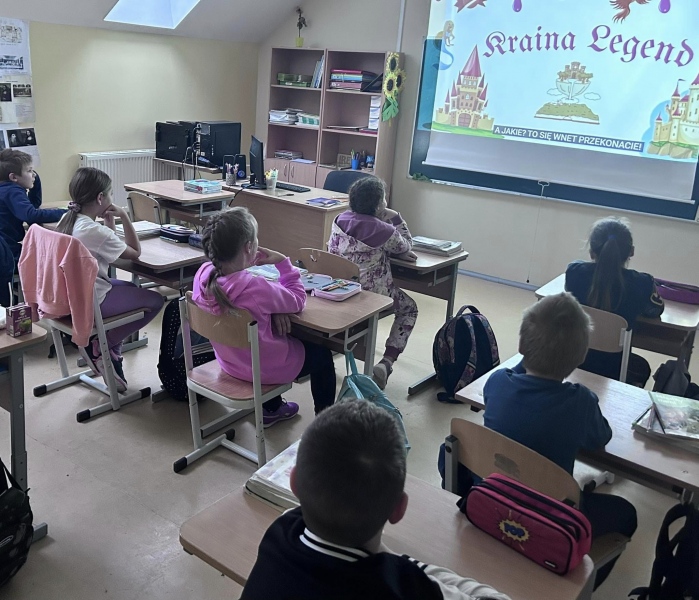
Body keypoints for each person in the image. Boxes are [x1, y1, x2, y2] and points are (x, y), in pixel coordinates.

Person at [242, 400, 511, 600]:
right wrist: (402, 564)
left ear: (294, 483)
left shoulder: (281, 532)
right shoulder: (400, 586)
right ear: (398, 509)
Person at [479, 293, 636, 589]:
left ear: (522, 346)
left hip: (496, 501)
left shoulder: (497, 382)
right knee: (626, 514)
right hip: (550, 519)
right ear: (581, 356)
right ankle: (575, 590)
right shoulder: (581, 402)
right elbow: (601, 437)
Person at [192, 207, 336, 427]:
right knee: (322, 355)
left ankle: (272, 408)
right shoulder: (256, 287)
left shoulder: (202, 275)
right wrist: (283, 263)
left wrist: (273, 308)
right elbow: (298, 300)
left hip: (230, 362)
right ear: (249, 247)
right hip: (263, 370)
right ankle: (325, 427)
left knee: (268, 338)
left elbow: (247, 299)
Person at [55, 167, 164, 391]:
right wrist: (124, 216)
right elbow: (135, 252)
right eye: (110, 193)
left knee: (130, 286)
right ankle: (103, 345)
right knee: (155, 300)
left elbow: (107, 243)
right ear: (100, 197)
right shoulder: (93, 231)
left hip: (69, 298)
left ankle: (111, 352)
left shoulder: (68, 219)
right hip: (91, 301)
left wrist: (108, 221)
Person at [327, 176, 417, 390]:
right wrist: (396, 217)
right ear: (378, 206)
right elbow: (407, 246)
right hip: (371, 297)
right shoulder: (384, 230)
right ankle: (387, 362)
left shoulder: (340, 219)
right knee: (409, 308)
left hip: (340, 289)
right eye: (384, 199)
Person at [565, 216, 664, 386]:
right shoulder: (642, 283)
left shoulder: (575, 272)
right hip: (615, 367)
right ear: (631, 251)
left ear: (591, 252)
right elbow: (655, 310)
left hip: (572, 359)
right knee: (642, 367)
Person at [0, 149, 64, 307]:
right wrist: (65, 212)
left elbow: (31, 206)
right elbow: (31, 215)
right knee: (54, 257)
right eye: (29, 171)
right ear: (14, 177)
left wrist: (35, 183)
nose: (34, 174)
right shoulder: (13, 191)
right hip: (8, 254)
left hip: (6, 250)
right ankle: (49, 302)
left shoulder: (6, 188)